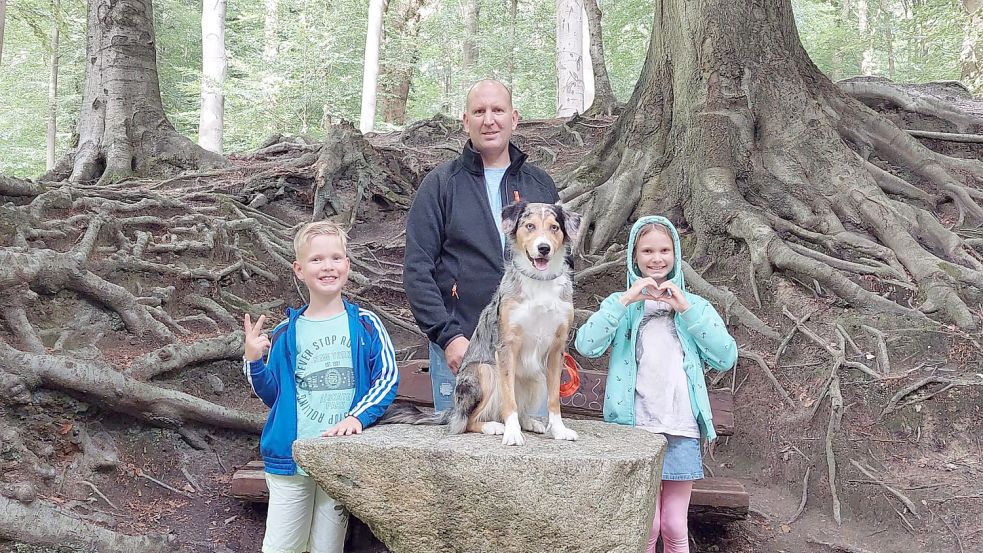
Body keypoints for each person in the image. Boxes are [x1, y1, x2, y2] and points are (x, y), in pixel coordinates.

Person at [574, 216, 737, 553]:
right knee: (645, 523)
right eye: (647, 250)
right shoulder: (622, 304)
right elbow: (587, 346)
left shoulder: (695, 307)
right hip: (635, 430)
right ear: (635, 256)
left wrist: (687, 310)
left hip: (680, 429)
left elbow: (725, 356)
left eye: (664, 250)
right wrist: (623, 302)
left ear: (675, 254)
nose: (656, 258)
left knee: (673, 524)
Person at [242, 220, 399, 553]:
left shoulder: (366, 324)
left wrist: (357, 417)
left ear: (348, 265)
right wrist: (254, 360)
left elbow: (386, 378)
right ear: (299, 270)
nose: (327, 266)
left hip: (339, 458)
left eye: (336, 258)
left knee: (327, 547)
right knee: (282, 546)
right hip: (290, 456)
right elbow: (273, 394)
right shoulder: (287, 330)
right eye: (316, 260)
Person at [404, 78, 559, 411]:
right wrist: (447, 337)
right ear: (466, 121)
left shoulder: (540, 185)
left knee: (528, 451)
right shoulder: (441, 185)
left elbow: (561, 262)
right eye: (479, 111)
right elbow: (418, 269)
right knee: (464, 450)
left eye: (498, 110)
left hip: (529, 350)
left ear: (513, 118)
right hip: (464, 346)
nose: (489, 119)